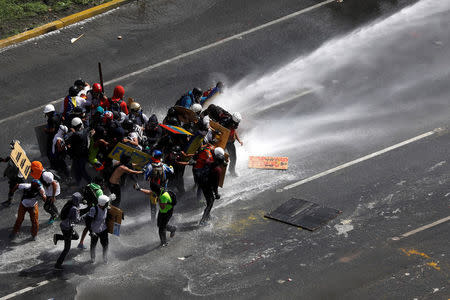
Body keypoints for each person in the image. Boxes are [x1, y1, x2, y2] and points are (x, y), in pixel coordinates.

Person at [134, 182, 176, 247]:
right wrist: (140, 189)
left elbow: (162, 206)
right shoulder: (159, 190)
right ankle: (172, 229)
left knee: (161, 228)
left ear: (156, 191)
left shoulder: (163, 196)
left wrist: (158, 199)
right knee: (159, 225)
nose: (153, 192)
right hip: (162, 211)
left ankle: (164, 243)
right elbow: (150, 192)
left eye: (154, 191)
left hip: (168, 211)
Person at [53, 192, 84, 270]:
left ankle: (58, 237)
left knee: (76, 237)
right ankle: (58, 264)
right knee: (67, 248)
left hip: (65, 226)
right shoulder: (74, 209)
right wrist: (84, 215)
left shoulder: (69, 203)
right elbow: (77, 220)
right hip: (67, 228)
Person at [143, 150, 174, 221]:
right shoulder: (163, 165)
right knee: (164, 205)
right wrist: (171, 166)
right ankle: (165, 220)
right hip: (163, 189)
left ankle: (153, 221)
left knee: (153, 207)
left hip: (154, 190)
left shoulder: (149, 166)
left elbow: (145, 178)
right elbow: (172, 171)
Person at [77, 177, 104, 249]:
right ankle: (97, 246)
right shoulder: (99, 191)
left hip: (89, 208)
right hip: (96, 210)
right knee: (96, 227)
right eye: (102, 182)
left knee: (88, 226)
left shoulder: (88, 186)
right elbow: (102, 203)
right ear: (100, 183)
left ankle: (81, 243)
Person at [66, 117, 91, 186]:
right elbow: (88, 127)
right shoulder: (85, 132)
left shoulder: (73, 135)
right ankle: (78, 182)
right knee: (78, 170)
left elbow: (68, 142)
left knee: (81, 170)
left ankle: (90, 183)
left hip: (78, 156)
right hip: (84, 154)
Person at [87, 194, 111, 264]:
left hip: (104, 230)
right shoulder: (94, 209)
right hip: (95, 231)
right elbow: (88, 222)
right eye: (107, 203)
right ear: (103, 204)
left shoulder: (106, 207)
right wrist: (91, 232)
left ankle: (105, 258)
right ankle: (93, 258)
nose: (108, 204)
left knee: (105, 245)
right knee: (93, 245)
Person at [1, 141, 25, 207]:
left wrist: (7, 172)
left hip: (17, 174)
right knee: (21, 186)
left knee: (14, 187)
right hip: (18, 174)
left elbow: (14, 165)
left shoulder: (20, 153)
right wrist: (4, 160)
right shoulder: (17, 151)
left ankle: (9, 201)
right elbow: (10, 158)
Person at [226, 112, 243, 176]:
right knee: (232, 158)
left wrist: (239, 140)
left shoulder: (232, 125)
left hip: (230, 143)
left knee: (234, 158)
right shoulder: (228, 125)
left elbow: (234, 132)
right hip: (227, 144)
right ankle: (231, 171)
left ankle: (231, 169)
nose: (238, 124)